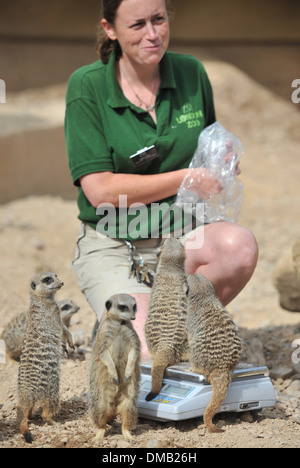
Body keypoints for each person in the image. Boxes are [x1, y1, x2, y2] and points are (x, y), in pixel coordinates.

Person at [65, 0, 258, 358]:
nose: (152, 34)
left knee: (239, 246)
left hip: (180, 235)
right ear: (110, 29)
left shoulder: (191, 72)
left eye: (159, 19)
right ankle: (131, 321)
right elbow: (100, 191)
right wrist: (186, 177)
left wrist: (221, 161)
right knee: (149, 352)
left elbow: (206, 146)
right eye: (137, 25)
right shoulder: (86, 86)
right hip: (116, 241)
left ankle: (168, 324)